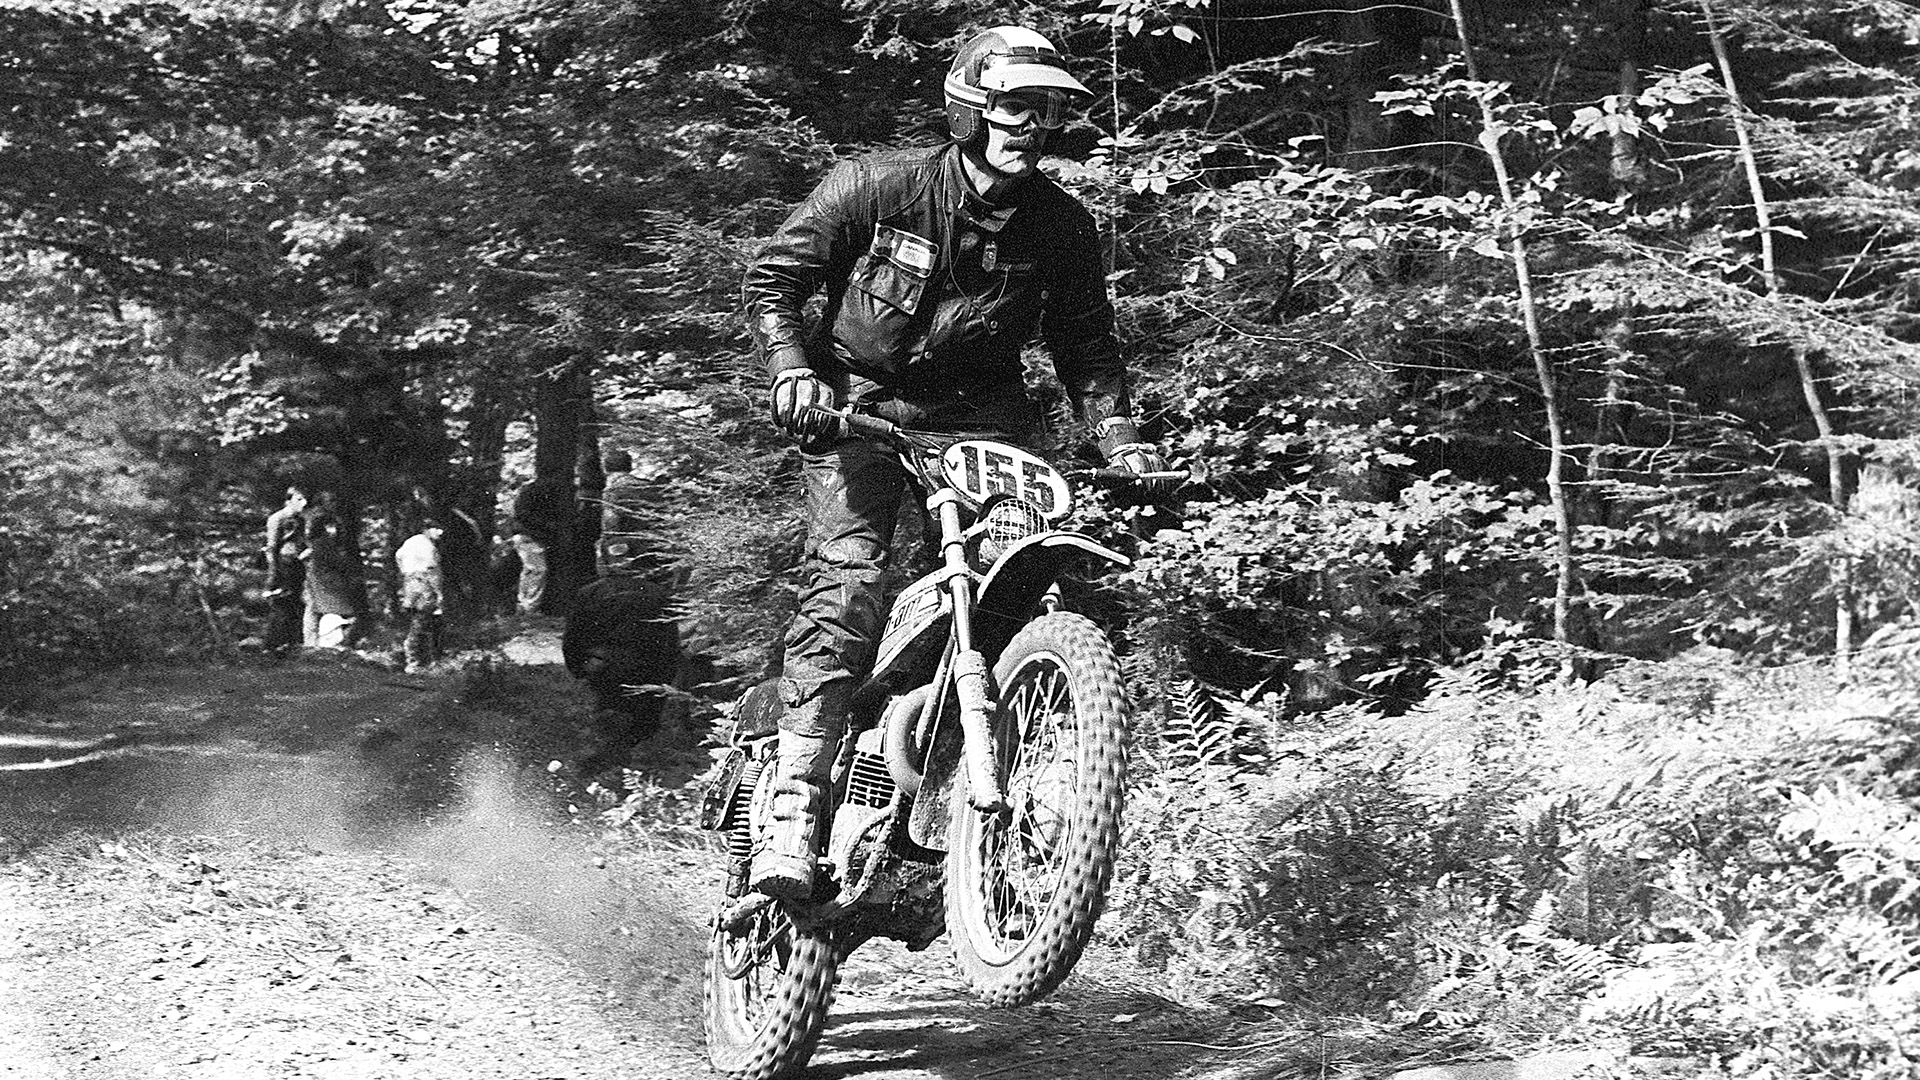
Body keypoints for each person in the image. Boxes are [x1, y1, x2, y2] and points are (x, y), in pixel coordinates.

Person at [738, 25, 1172, 899]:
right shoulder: (876, 184)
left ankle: (1029, 781)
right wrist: (791, 370)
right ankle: (795, 794)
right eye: (1016, 107)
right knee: (851, 577)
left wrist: (1121, 437)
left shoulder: (1061, 226)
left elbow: (1087, 345)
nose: (1032, 127)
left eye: (1047, 112)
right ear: (969, 108)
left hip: (980, 416)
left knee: (1026, 568)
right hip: (856, 403)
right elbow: (774, 280)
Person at [561, 573, 682, 787]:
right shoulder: (658, 595)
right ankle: (633, 775)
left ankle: (599, 774)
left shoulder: (591, 591)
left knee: (607, 716)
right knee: (642, 723)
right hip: (646, 668)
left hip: (604, 666)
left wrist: (578, 669)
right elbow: (669, 644)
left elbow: (573, 636)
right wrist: (665, 678)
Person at [508, 478, 572, 616]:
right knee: (537, 570)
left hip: (535, 535)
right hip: (529, 535)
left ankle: (527, 605)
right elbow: (522, 514)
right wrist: (546, 525)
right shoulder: (532, 491)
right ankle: (529, 606)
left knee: (534, 570)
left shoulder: (542, 490)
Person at [261, 485, 309, 656]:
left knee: (295, 603)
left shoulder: (300, 520)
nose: (304, 503)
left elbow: (301, 542)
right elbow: (272, 547)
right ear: (288, 501)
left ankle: (292, 644)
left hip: (297, 564)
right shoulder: (277, 518)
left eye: (304, 499)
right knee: (281, 604)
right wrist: (274, 573)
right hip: (283, 565)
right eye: (299, 499)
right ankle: (272, 645)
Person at [396, 517, 446, 672]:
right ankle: (416, 662)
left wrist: (406, 573)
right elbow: (431, 570)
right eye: (436, 529)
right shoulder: (428, 546)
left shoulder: (410, 542)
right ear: (427, 529)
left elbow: (398, 556)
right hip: (423, 586)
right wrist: (439, 592)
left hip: (410, 584)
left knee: (418, 621)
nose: (440, 532)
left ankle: (420, 660)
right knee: (423, 622)